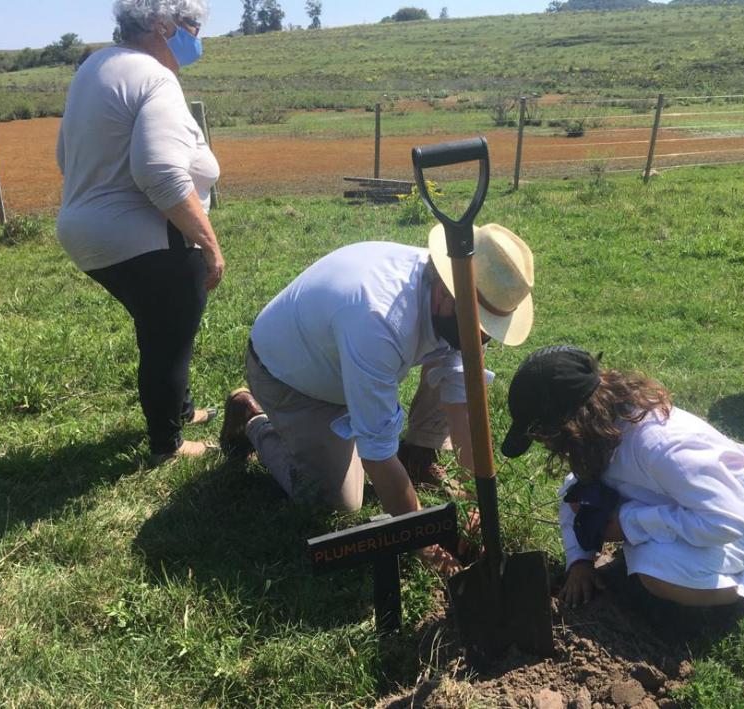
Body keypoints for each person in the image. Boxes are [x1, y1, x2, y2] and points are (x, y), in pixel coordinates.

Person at [219, 224, 535, 573]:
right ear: (448, 293)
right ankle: (252, 419)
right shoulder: (379, 319)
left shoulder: (448, 291)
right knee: (337, 502)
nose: (482, 337)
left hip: (345, 362)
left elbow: (463, 407)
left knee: (458, 359)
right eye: (480, 324)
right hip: (291, 380)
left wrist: (478, 503)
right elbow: (378, 455)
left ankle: (418, 455)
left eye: (489, 330)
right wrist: (425, 544)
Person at [501, 346, 744, 630]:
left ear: (572, 423)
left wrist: (627, 524)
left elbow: (726, 520)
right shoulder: (601, 434)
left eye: (549, 438)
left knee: (655, 570)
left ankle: (739, 598)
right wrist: (579, 561)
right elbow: (573, 495)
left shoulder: (661, 446)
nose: (550, 447)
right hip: (694, 506)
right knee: (586, 500)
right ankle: (665, 562)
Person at [56, 0, 225, 465]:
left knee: (160, 327)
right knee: (168, 337)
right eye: (192, 26)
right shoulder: (155, 77)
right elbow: (159, 172)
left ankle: (182, 410)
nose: (197, 37)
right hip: (145, 236)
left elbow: (64, 154)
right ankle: (167, 446)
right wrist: (209, 245)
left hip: (85, 229)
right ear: (161, 24)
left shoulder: (96, 67)